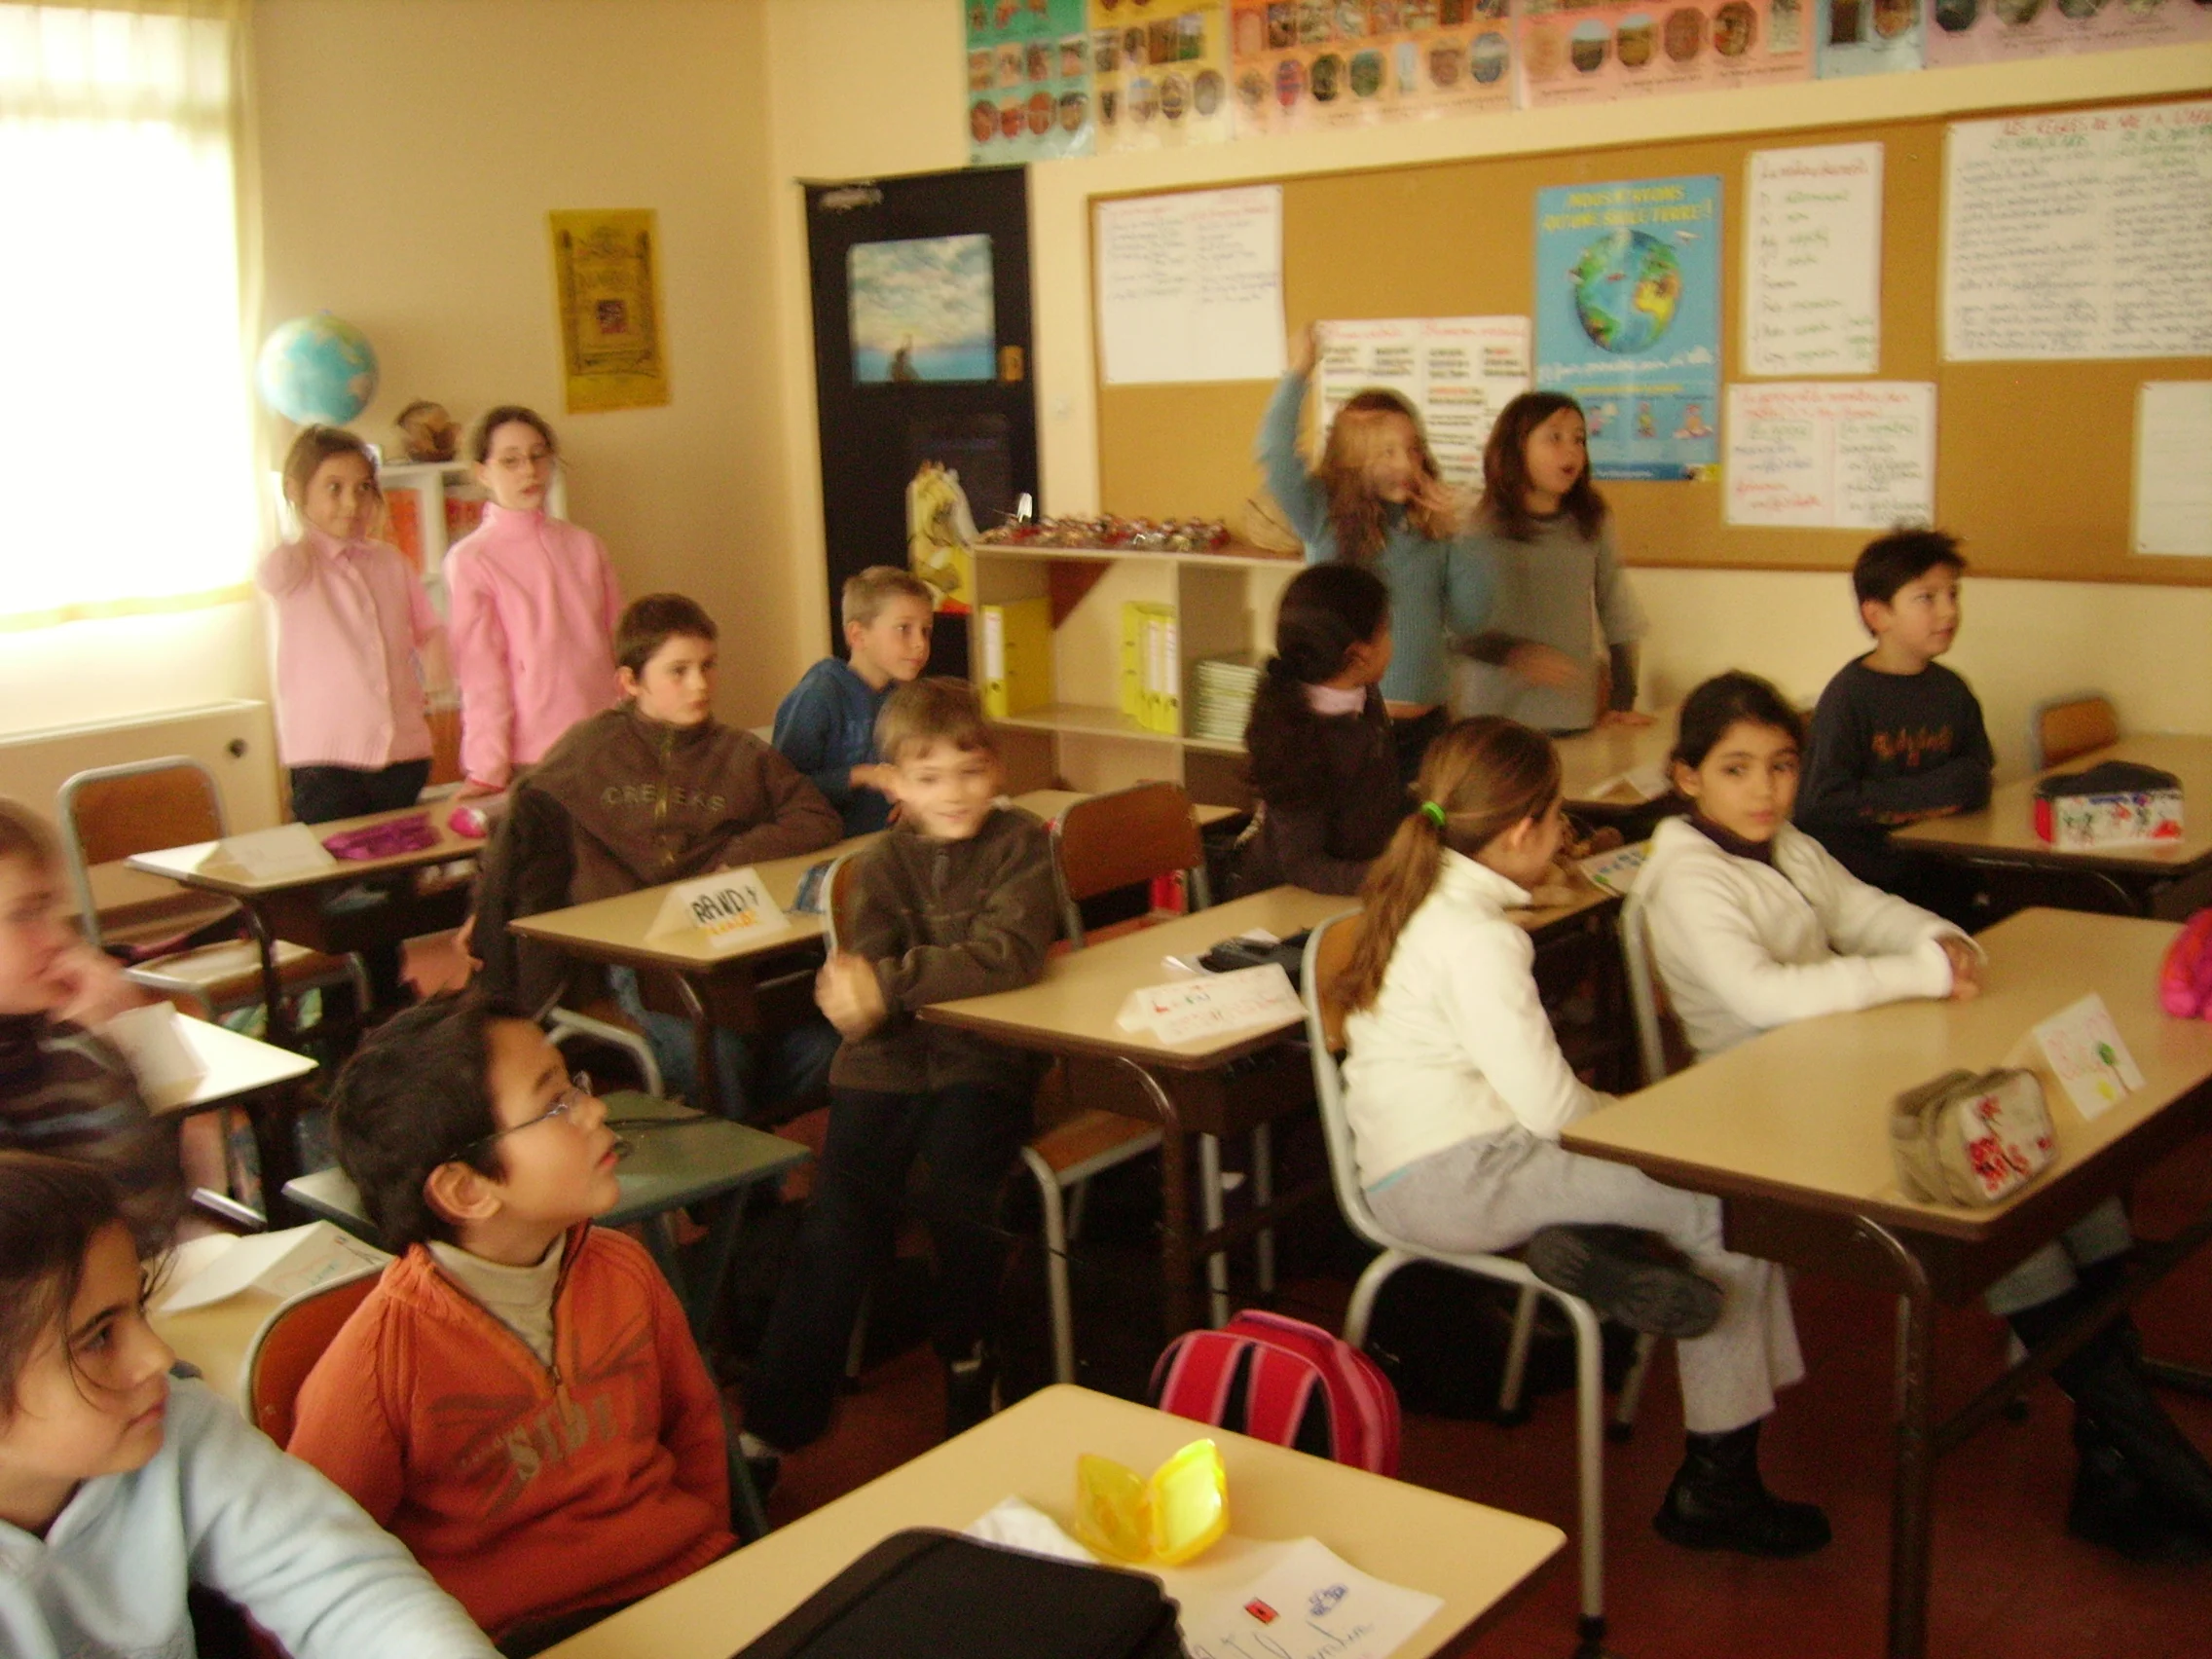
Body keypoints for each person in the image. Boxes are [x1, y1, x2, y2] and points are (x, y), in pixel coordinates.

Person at [1639, 671, 2212, 1560]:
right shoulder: (1686, 878)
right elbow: (1762, 994)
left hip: (1837, 1069)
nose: (1765, 790)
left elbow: (1862, 910)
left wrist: (1936, 939)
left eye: (1782, 766)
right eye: (1736, 769)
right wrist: (1917, 975)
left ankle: (2117, 1456)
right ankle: (2159, 1465)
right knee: (1991, 1185)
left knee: (2066, 1175)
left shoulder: (1787, 846)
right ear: (1687, 777)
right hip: (1764, 1109)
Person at [1337, 717, 1828, 1557]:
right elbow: (1554, 1113)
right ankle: (1716, 1487)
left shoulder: (1422, 896)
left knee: (1676, 1171)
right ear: (1522, 830)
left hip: (1427, 1168)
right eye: (1560, 817)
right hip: (1464, 1180)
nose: (1565, 834)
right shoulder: (1480, 939)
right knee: (1731, 1207)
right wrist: (1647, 1132)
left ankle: (1604, 1249)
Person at [286, 996, 735, 1653]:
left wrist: (716, 1558)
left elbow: (695, 1428)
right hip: (517, 1637)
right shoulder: (381, 1361)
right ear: (467, 1190)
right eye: (555, 1105)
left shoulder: (624, 1270)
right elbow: (308, 1571)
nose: (594, 1109)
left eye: (575, 1084)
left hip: (684, 1580)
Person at [741, 680, 1058, 1482]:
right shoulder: (878, 865)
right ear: (895, 785)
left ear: (997, 769)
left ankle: (967, 1353)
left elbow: (1010, 954)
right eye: (928, 776)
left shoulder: (1022, 843)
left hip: (983, 1060)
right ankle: (773, 1424)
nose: (953, 793)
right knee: (838, 1218)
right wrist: (879, 994)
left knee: (960, 1194)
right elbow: (864, 995)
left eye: (970, 771)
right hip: (883, 1065)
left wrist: (890, 986)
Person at [0, 1152, 495, 1659]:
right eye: (99, 1338)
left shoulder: (173, 1425)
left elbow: (344, 1586)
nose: (158, 1356)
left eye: (139, 1308)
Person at [469, 594, 843, 1118]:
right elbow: (519, 830)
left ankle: (739, 1131)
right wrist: (481, 911)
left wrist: (737, 856)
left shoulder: (740, 753)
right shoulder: (587, 751)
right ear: (630, 681)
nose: (700, 684)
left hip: (725, 939)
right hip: (634, 959)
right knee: (717, 1051)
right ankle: (734, 1150)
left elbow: (815, 816)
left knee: (829, 1043)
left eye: (708, 666)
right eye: (678, 671)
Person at [257, 424, 448, 1006]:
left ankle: (389, 1000)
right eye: (333, 488)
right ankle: (347, 1008)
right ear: (299, 493)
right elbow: (270, 571)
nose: (351, 503)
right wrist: (291, 513)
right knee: (340, 901)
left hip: (399, 756)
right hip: (328, 762)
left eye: (363, 488)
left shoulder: (390, 562)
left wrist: (433, 685)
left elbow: (428, 631)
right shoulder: (296, 565)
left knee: (392, 896)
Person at [1257, 324, 1493, 785]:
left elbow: (1471, 619)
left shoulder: (1431, 526)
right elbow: (1275, 453)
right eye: (1387, 452)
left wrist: (1461, 530)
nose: (1406, 464)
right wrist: (1300, 372)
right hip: (1350, 728)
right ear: (1352, 458)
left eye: (1413, 450)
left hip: (1429, 731)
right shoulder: (1323, 514)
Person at [1794, 529, 1994, 926]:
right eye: (1927, 598)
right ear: (1877, 615)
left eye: (1953, 594)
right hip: (1864, 884)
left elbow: (1976, 778)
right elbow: (1824, 804)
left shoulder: (1952, 690)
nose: (1949, 612)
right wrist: (1938, 790)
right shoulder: (1849, 696)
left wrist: (1899, 795)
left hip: (1938, 868)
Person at [0, 799, 179, 1234]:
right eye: (24, 914)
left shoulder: (32, 1035)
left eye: (50, 909)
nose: (59, 937)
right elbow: (130, 1224)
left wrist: (121, 1034)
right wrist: (88, 1053)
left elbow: (158, 1202)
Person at [444, 406, 622, 795]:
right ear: (482, 472)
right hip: (535, 753)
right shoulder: (472, 559)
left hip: (606, 741)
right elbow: (481, 673)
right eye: (511, 461)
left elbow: (621, 645)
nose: (529, 471)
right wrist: (487, 766)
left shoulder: (586, 546)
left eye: (538, 456)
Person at [1454, 391, 1651, 736]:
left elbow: (1617, 608)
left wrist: (1623, 698)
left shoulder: (1592, 519)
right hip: (1494, 717)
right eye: (1554, 438)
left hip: (1570, 714)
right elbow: (1454, 624)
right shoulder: (1479, 525)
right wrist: (1515, 654)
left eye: (1579, 439)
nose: (1571, 450)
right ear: (1517, 447)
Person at [1233, 563, 1404, 897]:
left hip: (1350, 890)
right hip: (1284, 903)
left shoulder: (1362, 695)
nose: (1391, 642)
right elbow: (1302, 865)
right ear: (1359, 654)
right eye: (1385, 631)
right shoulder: (1296, 737)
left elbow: (1378, 799)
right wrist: (1392, 877)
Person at [775, 565, 937, 836]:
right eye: (904, 629)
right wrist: (863, 775)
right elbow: (781, 790)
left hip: (886, 840)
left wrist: (911, 800)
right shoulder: (820, 694)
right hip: (826, 845)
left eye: (926, 631)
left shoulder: (905, 699)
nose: (920, 643)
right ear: (858, 635)